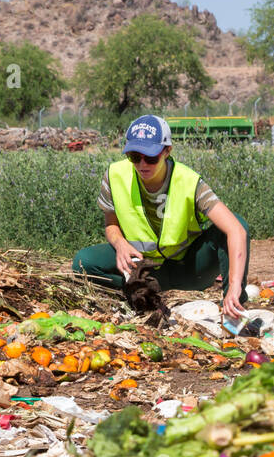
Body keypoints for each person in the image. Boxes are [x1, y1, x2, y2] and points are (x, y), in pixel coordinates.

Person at [72, 114, 250, 321]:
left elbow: (235, 229)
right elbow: (111, 225)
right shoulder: (114, 175)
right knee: (83, 262)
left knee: (237, 221)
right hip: (143, 271)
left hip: (187, 269)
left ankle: (234, 308)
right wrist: (120, 243)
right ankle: (139, 293)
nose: (142, 164)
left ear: (167, 151)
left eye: (151, 157)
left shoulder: (189, 182)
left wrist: (235, 285)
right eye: (134, 157)